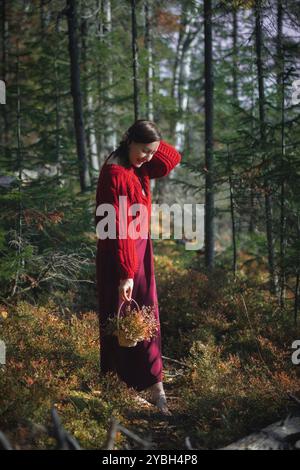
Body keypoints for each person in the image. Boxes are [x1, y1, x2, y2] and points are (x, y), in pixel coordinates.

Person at [95, 119, 181, 415]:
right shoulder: (115, 173)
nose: (148, 158)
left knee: (146, 316)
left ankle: (153, 382)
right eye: (144, 151)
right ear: (129, 140)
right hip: (122, 254)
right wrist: (125, 273)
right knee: (121, 320)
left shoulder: (137, 164)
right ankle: (120, 386)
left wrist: (151, 145)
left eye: (151, 152)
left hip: (139, 250)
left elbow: (170, 160)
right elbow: (116, 227)